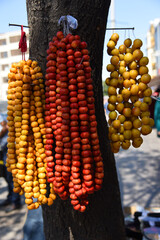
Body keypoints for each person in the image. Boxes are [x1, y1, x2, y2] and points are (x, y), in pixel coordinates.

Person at [0, 113, 22, 211]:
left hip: (9, 148)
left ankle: (15, 201)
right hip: (5, 148)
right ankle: (10, 197)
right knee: (6, 175)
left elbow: (5, 127)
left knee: (11, 175)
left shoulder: (1, 117)